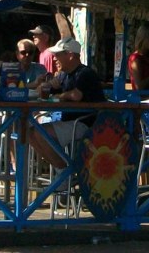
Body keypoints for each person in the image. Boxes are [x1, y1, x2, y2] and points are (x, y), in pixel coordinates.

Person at [28, 37, 105, 169]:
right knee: (29, 133)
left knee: (39, 132)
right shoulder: (64, 75)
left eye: (58, 55)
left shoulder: (85, 73)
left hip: (86, 124)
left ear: (70, 56)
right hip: (70, 122)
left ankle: (64, 171)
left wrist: (59, 95)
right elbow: (41, 92)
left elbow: (76, 95)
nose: (54, 58)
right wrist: (44, 84)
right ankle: (63, 169)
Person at [128, 23, 149, 90]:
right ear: (144, 39)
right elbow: (138, 86)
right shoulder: (136, 59)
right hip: (141, 98)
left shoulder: (148, 57)